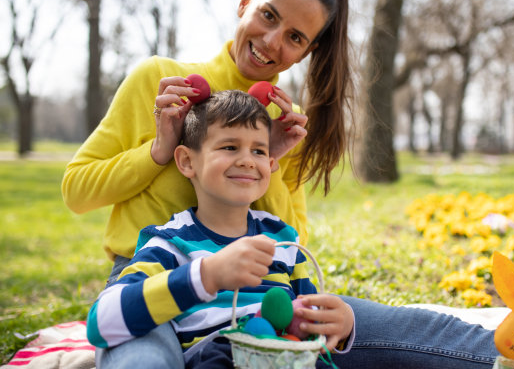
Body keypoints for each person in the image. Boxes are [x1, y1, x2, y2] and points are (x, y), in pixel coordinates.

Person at [63, 0, 514, 368]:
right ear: (246, 2)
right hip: (155, 282)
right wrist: (158, 151)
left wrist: (273, 159)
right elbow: (77, 192)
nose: (272, 42)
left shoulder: (286, 121)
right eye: (268, 16)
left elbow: (285, 243)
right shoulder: (161, 81)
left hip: (265, 295)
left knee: (424, 333)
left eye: (296, 37)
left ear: (307, 51)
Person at [86, 90, 355, 368]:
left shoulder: (284, 240)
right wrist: (207, 275)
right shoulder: (170, 243)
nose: (248, 161)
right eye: (229, 147)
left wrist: (341, 323)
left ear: (271, 164)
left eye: (259, 151)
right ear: (187, 161)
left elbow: (307, 317)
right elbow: (100, 322)